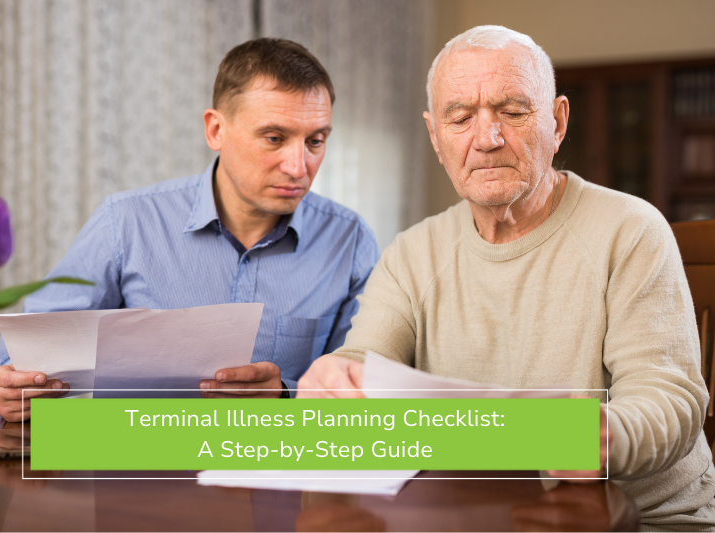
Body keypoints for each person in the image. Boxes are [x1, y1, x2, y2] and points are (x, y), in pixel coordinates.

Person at [298, 25, 715, 527]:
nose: (487, 139)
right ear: (435, 136)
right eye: (460, 117)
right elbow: (365, 361)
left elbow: (670, 397)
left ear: (558, 122)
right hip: (474, 516)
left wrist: (610, 433)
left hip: (638, 519)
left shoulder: (631, 230)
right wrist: (335, 379)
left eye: (513, 112)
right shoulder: (411, 253)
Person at [0, 38, 379, 421]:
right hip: (136, 471)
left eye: (315, 141)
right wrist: (11, 384)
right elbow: (22, 359)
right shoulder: (126, 223)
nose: (298, 166)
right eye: (274, 138)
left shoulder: (350, 242)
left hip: (274, 471)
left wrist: (285, 395)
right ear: (215, 131)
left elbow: (361, 398)